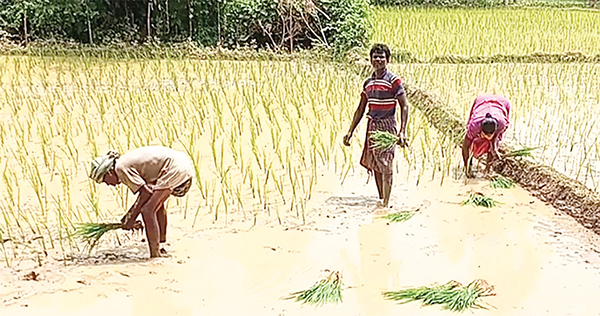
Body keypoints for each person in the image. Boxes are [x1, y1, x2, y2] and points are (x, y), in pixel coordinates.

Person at [89, 146, 194, 258]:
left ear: (109, 173)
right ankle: (161, 243)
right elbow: (147, 193)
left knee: (148, 211)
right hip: (181, 162)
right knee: (156, 206)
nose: (109, 185)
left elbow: (145, 193)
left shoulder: (120, 168)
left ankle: (155, 255)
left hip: (174, 167)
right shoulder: (123, 162)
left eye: (105, 181)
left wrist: (131, 217)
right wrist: (130, 216)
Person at [343, 43, 409, 208]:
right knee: (375, 164)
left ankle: (385, 204)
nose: (378, 60)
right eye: (375, 57)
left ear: (387, 60)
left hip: (387, 125)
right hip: (372, 125)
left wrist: (402, 131)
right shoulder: (368, 83)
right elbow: (360, 109)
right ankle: (381, 198)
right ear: (371, 60)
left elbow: (404, 105)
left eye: (382, 57)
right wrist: (350, 132)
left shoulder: (394, 81)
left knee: (386, 164)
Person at [462, 95, 511, 178]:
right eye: (486, 135)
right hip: (481, 101)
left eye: (491, 135)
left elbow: (496, 137)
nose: (488, 137)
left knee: (493, 144)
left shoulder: (501, 124)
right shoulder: (474, 126)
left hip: (502, 103)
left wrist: (494, 148)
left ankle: (487, 169)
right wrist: (467, 168)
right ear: (481, 131)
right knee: (473, 142)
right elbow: (465, 146)